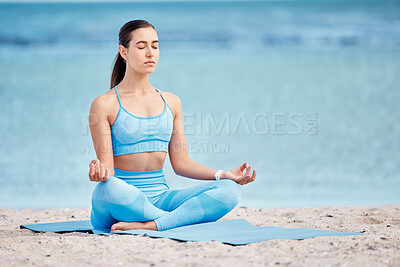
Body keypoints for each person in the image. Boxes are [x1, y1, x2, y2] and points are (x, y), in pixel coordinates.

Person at [88, 20, 256, 233]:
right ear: (124, 52)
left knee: (230, 191)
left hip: (161, 198)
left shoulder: (171, 102)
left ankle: (153, 225)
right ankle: (175, 221)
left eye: (155, 46)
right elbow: (108, 172)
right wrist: (100, 174)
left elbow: (181, 163)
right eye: (141, 46)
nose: (150, 52)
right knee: (108, 189)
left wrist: (223, 174)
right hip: (122, 201)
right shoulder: (104, 104)